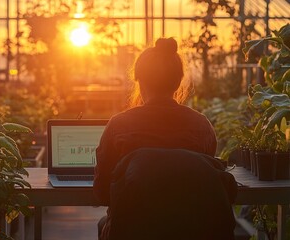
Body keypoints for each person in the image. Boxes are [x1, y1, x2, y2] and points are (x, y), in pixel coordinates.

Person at [93, 37, 218, 239]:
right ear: (178, 83)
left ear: (140, 81)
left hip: (132, 232)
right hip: (190, 232)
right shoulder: (201, 126)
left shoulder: (119, 125)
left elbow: (101, 192)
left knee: (104, 223)